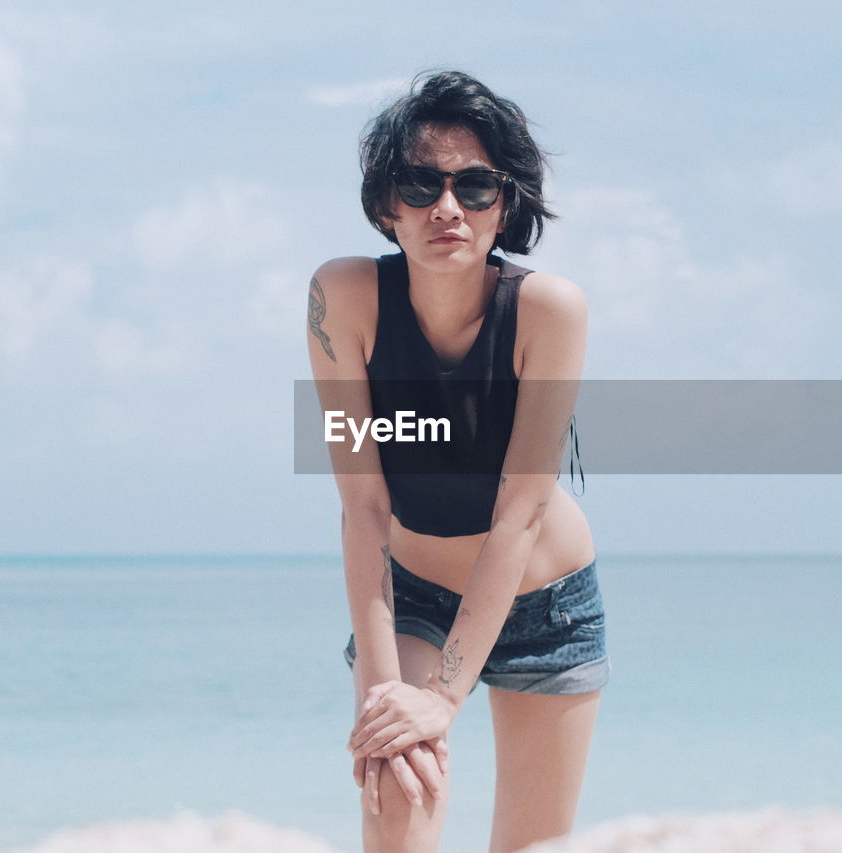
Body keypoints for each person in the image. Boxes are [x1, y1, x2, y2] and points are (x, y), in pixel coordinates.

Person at [306, 70, 609, 853]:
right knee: (395, 802)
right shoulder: (345, 297)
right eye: (421, 184)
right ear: (385, 205)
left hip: (546, 604)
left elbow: (522, 508)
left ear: (504, 205)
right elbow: (364, 506)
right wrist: (385, 699)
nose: (448, 207)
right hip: (411, 594)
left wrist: (445, 696)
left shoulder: (549, 311)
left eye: (475, 186)